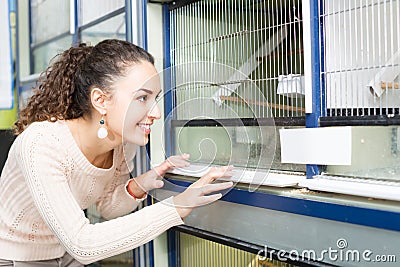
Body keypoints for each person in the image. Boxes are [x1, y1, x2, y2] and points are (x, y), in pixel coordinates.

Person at [0, 39, 233, 266]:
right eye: (143, 98)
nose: (157, 113)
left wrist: (141, 184)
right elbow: (83, 243)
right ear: (101, 100)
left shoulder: (122, 142)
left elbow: (108, 207)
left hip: (66, 257)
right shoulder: (42, 143)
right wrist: (177, 206)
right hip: (16, 258)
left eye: (156, 98)